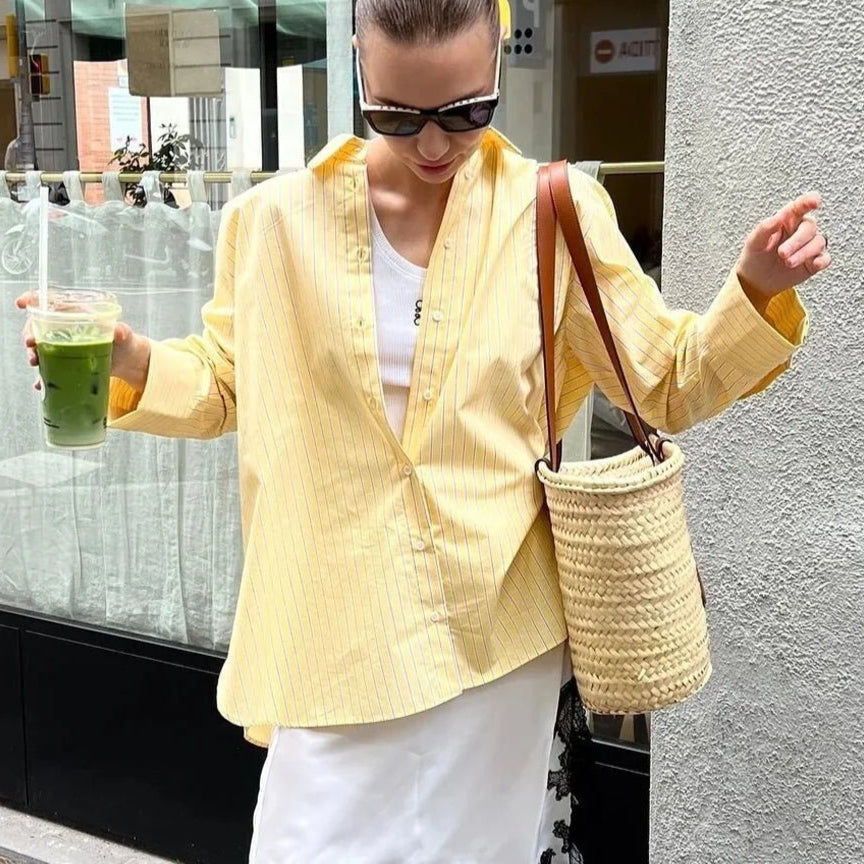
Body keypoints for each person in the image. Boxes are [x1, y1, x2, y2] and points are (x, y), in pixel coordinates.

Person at [17, 0, 830, 860]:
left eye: (466, 112)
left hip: (496, 629)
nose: (434, 143)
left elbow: (666, 381)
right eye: (397, 116)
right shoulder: (275, 222)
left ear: (497, 62)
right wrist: (136, 360)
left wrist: (753, 290)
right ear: (359, 63)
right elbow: (226, 384)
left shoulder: (554, 213)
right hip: (332, 621)